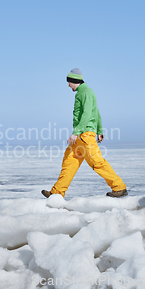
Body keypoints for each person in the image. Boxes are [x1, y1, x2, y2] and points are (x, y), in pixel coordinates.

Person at [41, 68, 128, 198]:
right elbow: (96, 112)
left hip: (84, 135)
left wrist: (77, 132)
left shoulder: (85, 93)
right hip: (80, 137)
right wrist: (99, 130)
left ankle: (119, 187)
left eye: (69, 82)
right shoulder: (84, 93)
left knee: (96, 162)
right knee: (69, 163)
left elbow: (88, 114)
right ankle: (57, 192)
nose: (68, 85)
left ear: (74, 81)